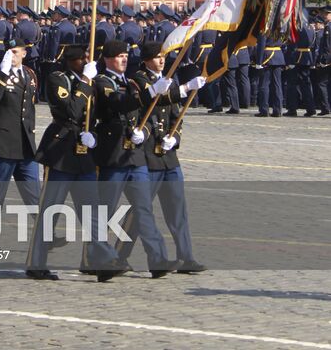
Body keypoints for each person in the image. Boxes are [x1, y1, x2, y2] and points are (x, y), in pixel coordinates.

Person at [25, 44, 120, 282]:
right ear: (73, 61)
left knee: (92, 212)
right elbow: (72, 111)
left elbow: (99, 114)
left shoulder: (93, 81)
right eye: (84, 59)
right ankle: (36, 263)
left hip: (84, 153)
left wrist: (95, 136)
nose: (88, 62)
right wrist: (85, 81)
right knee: (50, 211)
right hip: (60, 152)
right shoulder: (59, 79)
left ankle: (103, 260)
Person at [93, 39, 177, 278]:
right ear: (108, 59)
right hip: (113, 155)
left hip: (135, 156)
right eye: (119, 56)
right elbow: (118, 104)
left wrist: (144, 133)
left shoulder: (129, 82)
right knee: (105, 211)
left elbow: (144, 115)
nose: (124, 59)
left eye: (125, 55)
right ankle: (103, 261)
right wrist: (151, 92)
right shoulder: (102, 82)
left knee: (144, 209)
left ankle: (158, 260)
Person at [133, 42, 205, 273]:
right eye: (156, 57)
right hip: (148, 154)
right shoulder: (139, 79)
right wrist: (184, 88)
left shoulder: (170, 80)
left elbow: (176, 115)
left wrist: (175, 138)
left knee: (177, 211)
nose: (161, 60)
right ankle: (119, 255)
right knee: (140, 213)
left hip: (168, 156)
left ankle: (186, 257)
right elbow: (153, 101)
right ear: (145, 60)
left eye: (163, 56)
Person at [0, 37, 39, 210]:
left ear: (24, 53)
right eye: (9, 51)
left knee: (35, 195)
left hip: (25, 143)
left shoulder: (30, 74)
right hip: (3, 142)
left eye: (15, 52)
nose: (12, 55)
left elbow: (29, 106)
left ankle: (46, 235)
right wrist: (4, 73)